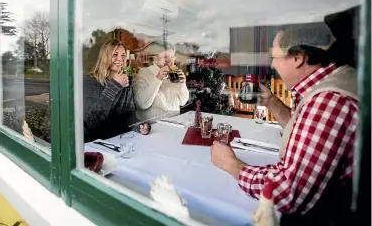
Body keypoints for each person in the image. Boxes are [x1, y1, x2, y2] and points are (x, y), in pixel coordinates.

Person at [211, 23, 358, 226]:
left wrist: (230, 163)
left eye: (275, 57)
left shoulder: (328, 101)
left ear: (298, 59)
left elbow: (288, 192)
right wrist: (271, 101)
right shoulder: (332, 80)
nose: (272, 65)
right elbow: (305, 130)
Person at [83, 39, 150, 142]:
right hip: (95, 143)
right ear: (105, 57)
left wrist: (139, 125)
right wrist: (114, 86)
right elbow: (91, 122)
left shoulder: (126, 81)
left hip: (120, 141)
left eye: (123, 55)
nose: (120, 59)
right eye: (115, 54)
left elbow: (129, 114)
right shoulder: (90, 83)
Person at [133, 46, 189, 122]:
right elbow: (142, 104)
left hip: (175, 125)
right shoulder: (143, 73)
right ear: (156, 59)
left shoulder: (174, 74)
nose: (170, 61)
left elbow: (183, 101)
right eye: (166, 57)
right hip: (153, 129)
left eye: (172, 57)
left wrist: (182, 84)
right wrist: (158, 78)